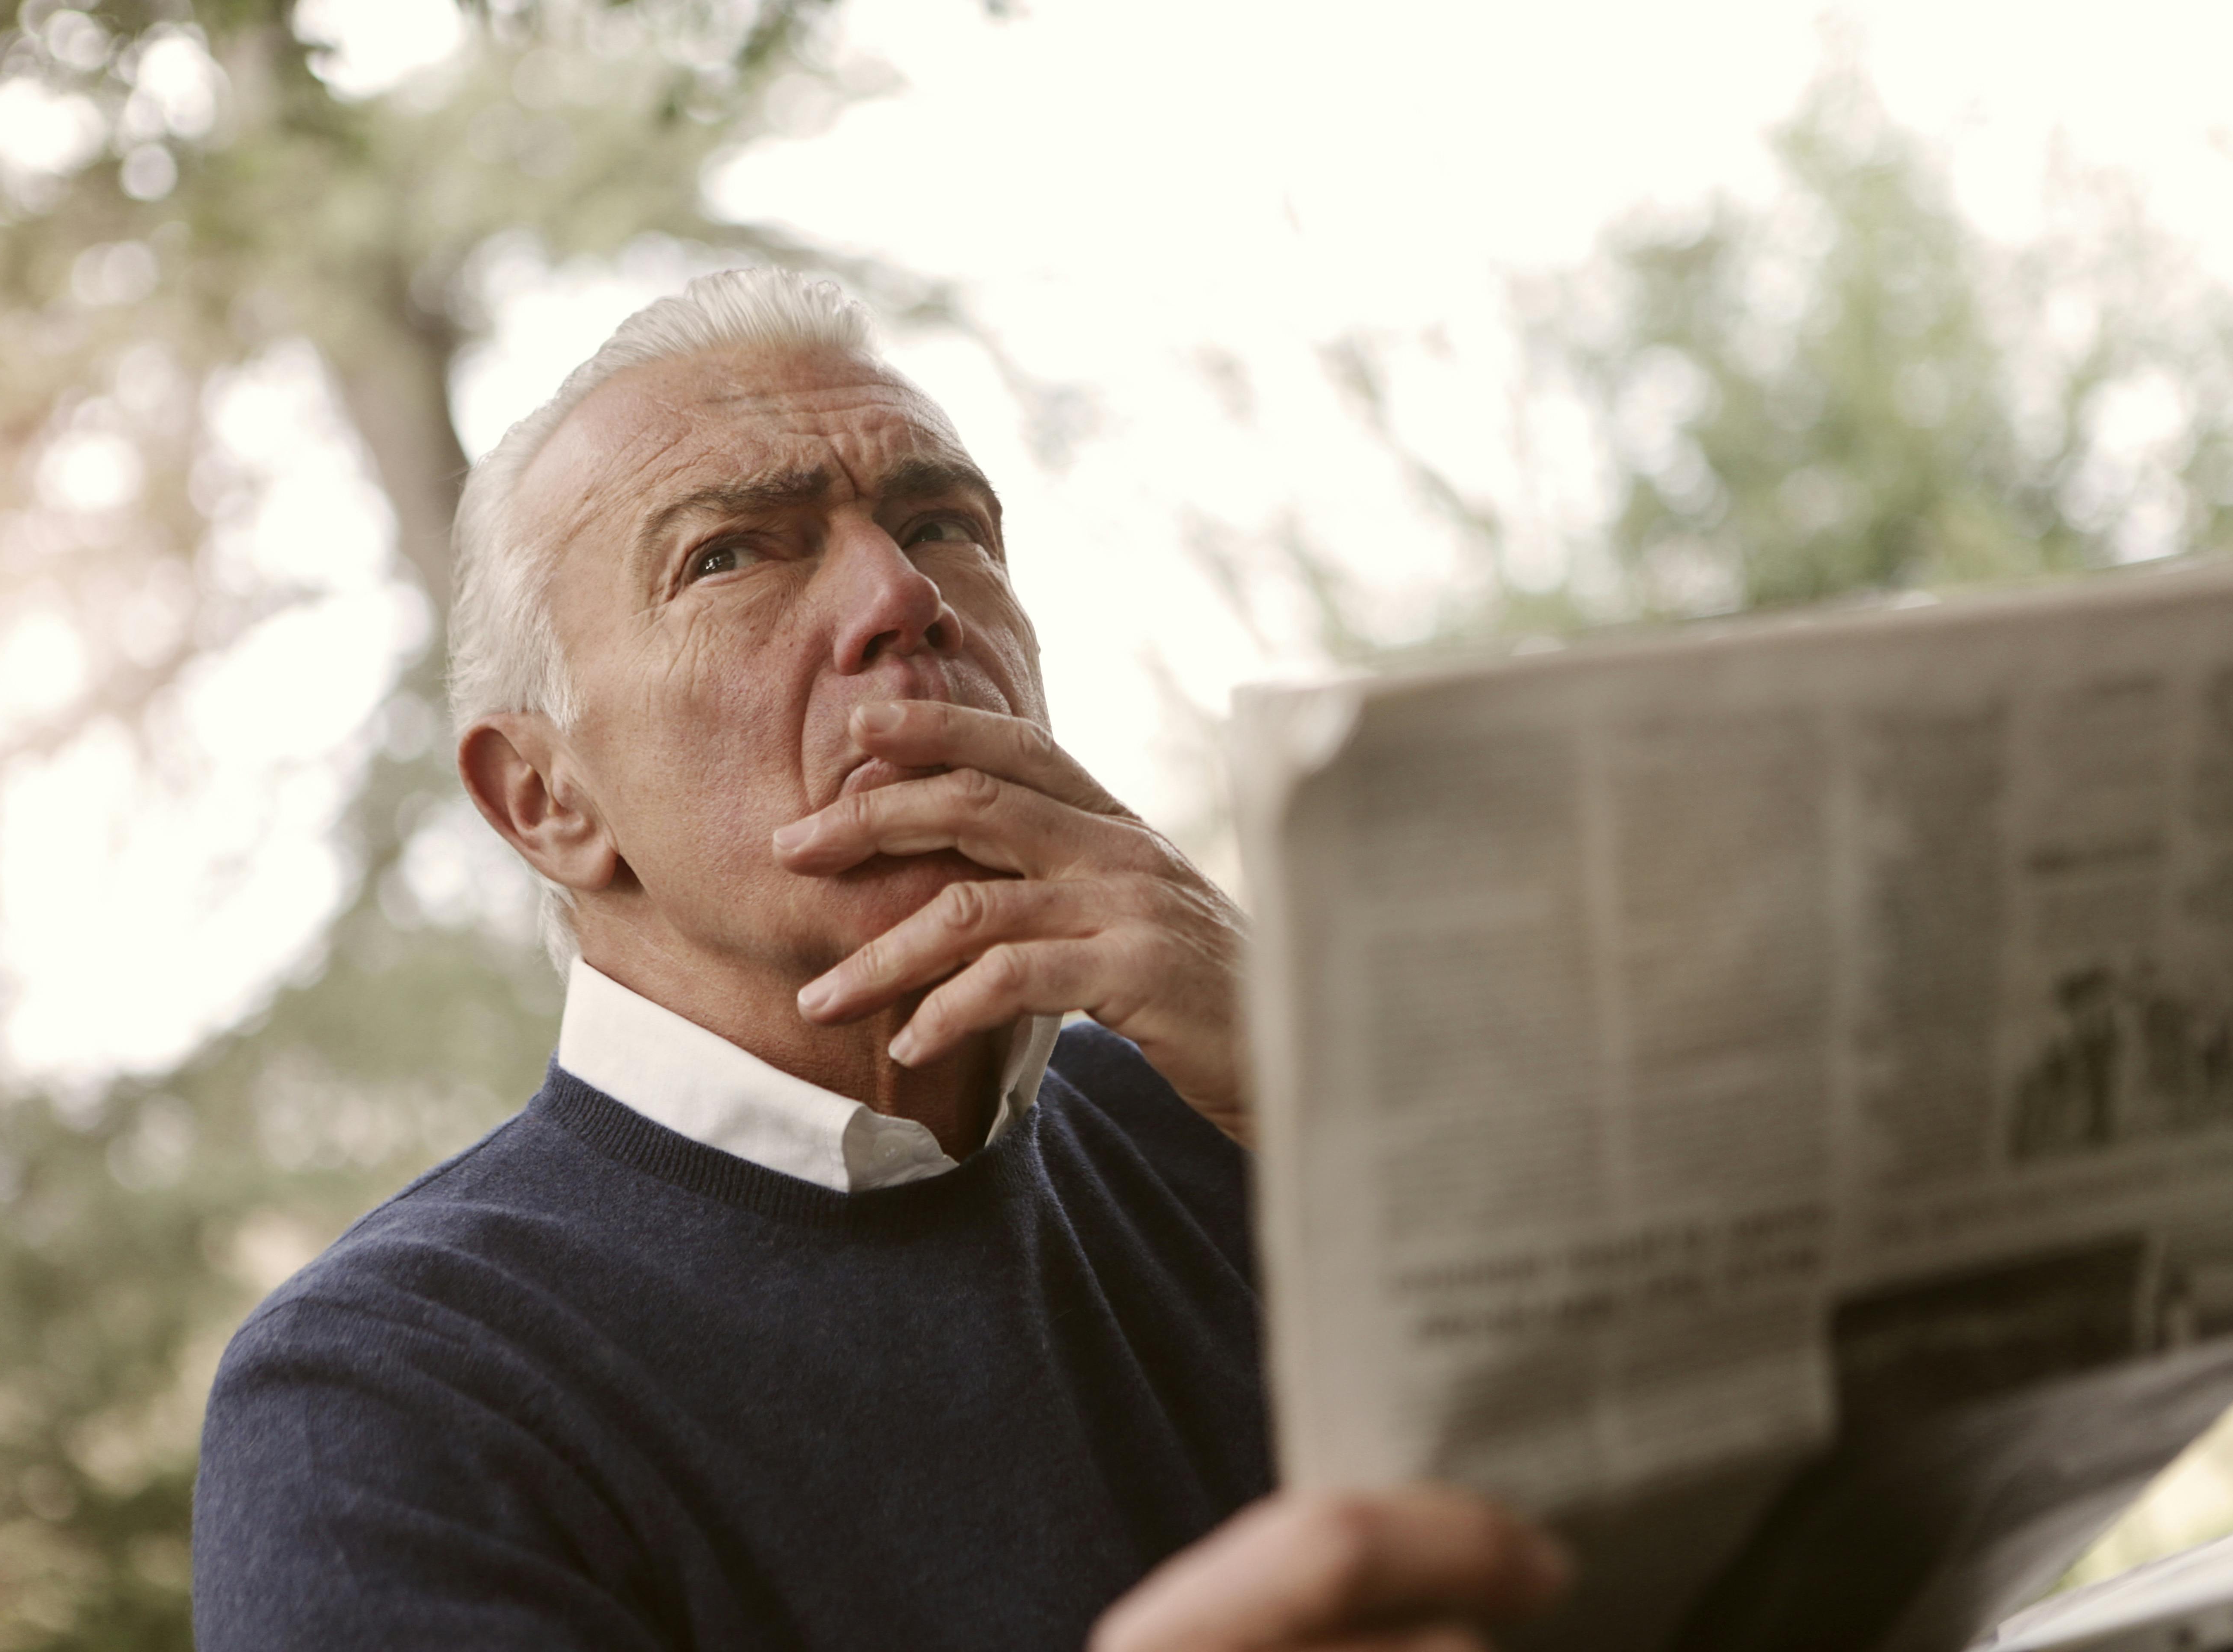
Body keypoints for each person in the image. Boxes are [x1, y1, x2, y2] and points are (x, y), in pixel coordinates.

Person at [190, 268, 1565, 1650]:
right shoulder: (388, 1392)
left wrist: (1340, 1101)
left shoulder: (1248, 1103)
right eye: (734, 553)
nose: (904, 598)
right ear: (547, 799)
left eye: (943, 525)